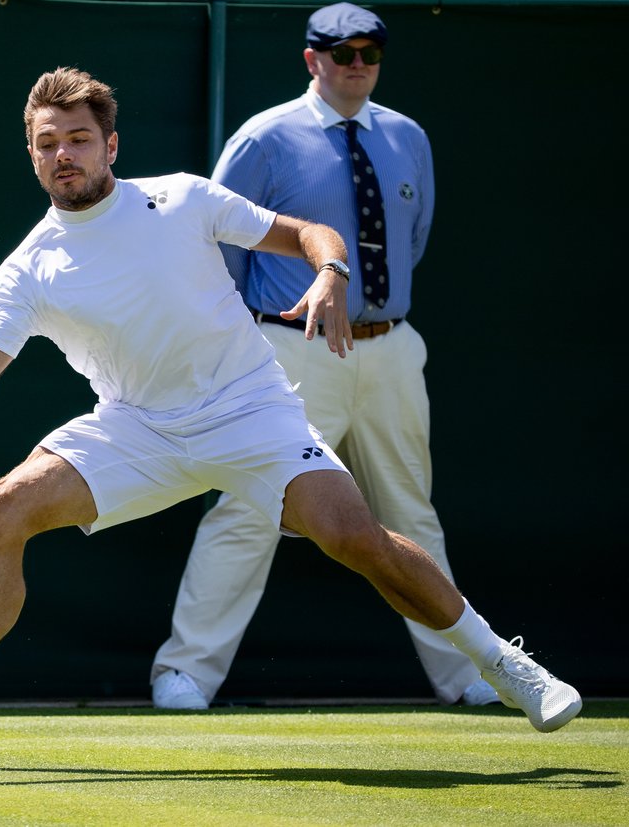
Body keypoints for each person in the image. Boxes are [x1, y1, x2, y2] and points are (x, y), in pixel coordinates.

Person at [0, 66, 581, 771]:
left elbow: (309, 233)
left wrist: (331, 272)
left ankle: (506, 663)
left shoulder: (183, 197)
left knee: (355, 537)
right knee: (1, 506)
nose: (64, 155)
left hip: (250, 409)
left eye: (80, 139)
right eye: (49, 144)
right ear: (33, 156)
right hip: (135, 429)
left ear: (111, 145)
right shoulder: (29, 267)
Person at [151, 3, 499, 712]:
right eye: (342, 53)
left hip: (391, 347)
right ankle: (184, 672)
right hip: (288, 347)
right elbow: (214, 246)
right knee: (249, 508)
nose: (358, 64)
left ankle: (464, 674)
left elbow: (414, 238)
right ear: (312, 60)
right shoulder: (265, 138)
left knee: (411, 511)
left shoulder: (407, 137)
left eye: (371, 51)